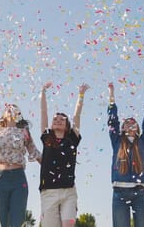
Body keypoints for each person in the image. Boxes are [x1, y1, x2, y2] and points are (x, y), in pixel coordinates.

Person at [39, 82, 89, 227]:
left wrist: (81, 95)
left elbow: (77, 115)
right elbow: (43, 112)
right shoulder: (47, 138)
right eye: (55, 119)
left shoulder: (72, 139)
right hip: (48, 192)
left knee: (68, 224)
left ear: (67, 125)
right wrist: (43, 92)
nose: (58, 120)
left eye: (62, 119)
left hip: (69, 192)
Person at [107, 81, 144, 227]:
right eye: (127, 123)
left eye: (133, 122)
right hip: (119, 192)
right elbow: (112, 121)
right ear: (122, 128)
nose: (130, 124)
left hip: (140, 192)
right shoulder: (117, 141)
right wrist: (111, 96)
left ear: (138, 128)